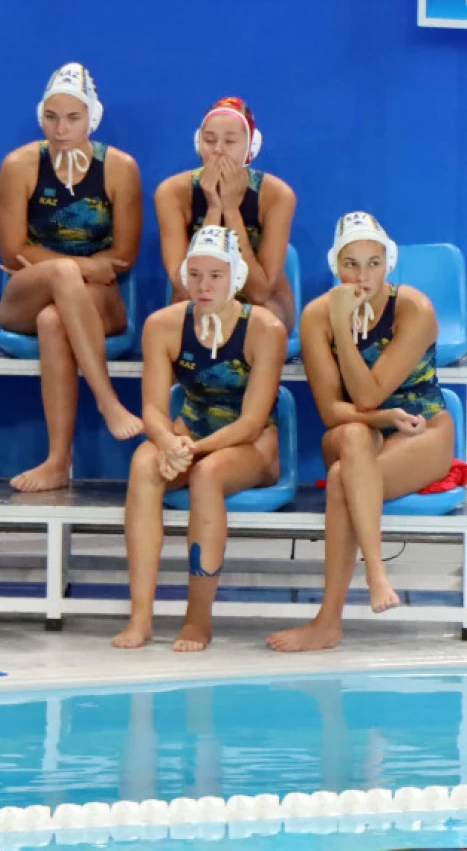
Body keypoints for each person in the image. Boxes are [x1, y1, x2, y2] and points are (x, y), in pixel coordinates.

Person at [269, 213, 453, 653]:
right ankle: (376, 572)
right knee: (352, 439)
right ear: (336, 266)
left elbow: (368, 394)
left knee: (341, 480)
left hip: (422, 429)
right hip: (357, 430)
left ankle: (328, 622)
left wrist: (342, 329)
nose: (363, 276)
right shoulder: (317, 316)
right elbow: (333, 411)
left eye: (373, 263)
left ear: (389, 264)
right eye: (351, 264)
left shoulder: (414, 310)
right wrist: (381, 419)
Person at [114, 226, 286, 653]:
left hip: (250, 447)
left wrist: (190, 450)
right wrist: (167, 443)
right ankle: (140, 617)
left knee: (207, 475)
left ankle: (197, 619)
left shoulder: (265, 328)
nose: (203, 286)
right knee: (143, 464)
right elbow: (153, 408)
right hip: (190, 434)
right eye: (195, 275)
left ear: (236, 277)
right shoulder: (163, 325)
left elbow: (251, 422)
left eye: (215, 276)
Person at [0, 63, 145, 491]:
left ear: (92, 118)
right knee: (61, 274)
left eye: (73, 118)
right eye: (51, 117)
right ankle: (107, 401)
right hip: (26, 297)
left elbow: (124, 256)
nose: (61, 129)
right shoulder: (20, 166)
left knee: (54, 320)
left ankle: (58, 463)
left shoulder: (119, 169)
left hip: (98, 299)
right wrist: (82, 267)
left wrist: (74, 269)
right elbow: (12, 251)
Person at [153, 96, 297, 334]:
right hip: (199, 298)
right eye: (209, 140)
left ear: (250, 147)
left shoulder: (276, 195)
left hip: (262, 302)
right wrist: (214, 208)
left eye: (229, 141)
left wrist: (231, 211)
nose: (218, 149)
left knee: (261, 322)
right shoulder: (172, 193)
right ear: (198, 143)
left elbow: (259, 291)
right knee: (175, 319)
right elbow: (186, 288)